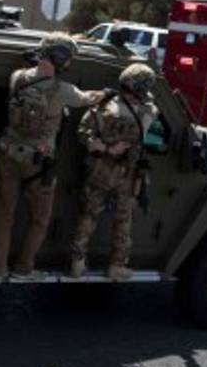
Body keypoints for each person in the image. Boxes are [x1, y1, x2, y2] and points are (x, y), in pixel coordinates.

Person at [0, 32, 101, 281]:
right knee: (39, 219)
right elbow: (87, 99)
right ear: (60, 59)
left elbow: (30, 79)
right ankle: (23, 268)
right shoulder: (63, 91)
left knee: (4, 216)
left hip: (7, 154)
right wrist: (104, 94)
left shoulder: (17, 77)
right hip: (38, 164)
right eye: (67, 59)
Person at [69, 64, 160, 282]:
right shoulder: (147, 112)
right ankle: (117, 266)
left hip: (100, 167)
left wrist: (103, 147)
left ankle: (77, 263)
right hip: (126, 172)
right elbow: (151, 107)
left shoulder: (101, 106)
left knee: (88, 215)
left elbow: (82, 133)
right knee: (123, 220)